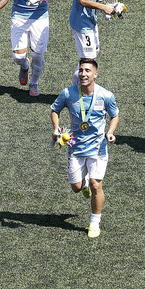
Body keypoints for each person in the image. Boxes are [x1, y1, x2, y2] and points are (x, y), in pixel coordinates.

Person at [50, 58, 119, 238]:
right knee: (76, 187)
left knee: (97, 185)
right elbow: (55, 110)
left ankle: (94, 223)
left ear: (95, 74)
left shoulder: (106, 95)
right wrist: (56, 128)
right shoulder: (67, 93)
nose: (83, 74)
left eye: (87, 71)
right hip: (75, 147)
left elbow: (115, 116)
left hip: (98, 148)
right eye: (81, 70)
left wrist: (110, 132)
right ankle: (85, 182)